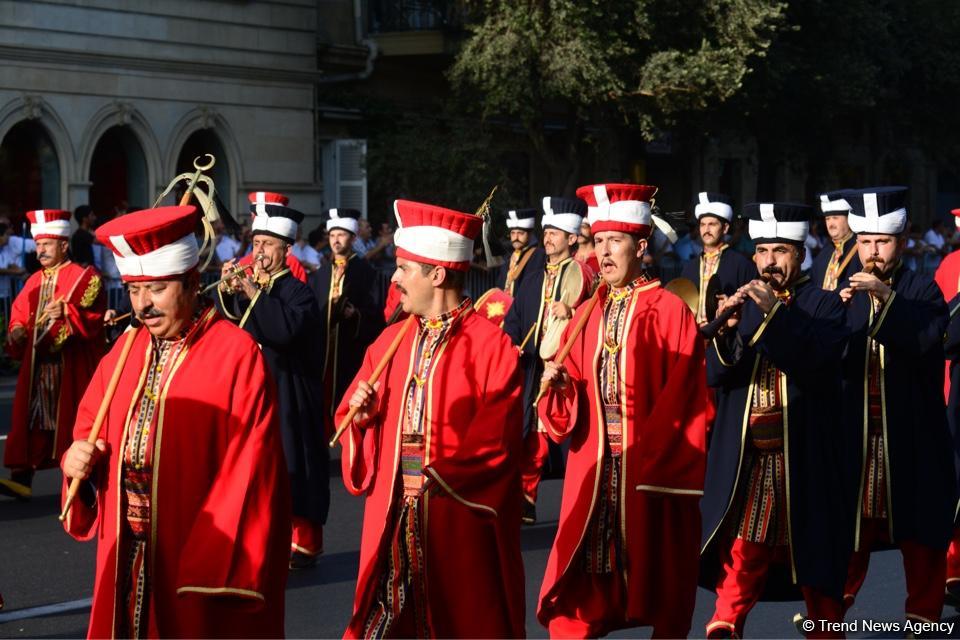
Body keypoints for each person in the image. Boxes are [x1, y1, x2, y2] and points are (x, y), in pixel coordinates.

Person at [61, 204, 291, 638]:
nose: (143, 305)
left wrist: (211, 552)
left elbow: (252, 467)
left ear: (190, 282)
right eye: (133, 290)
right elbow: (87, 431)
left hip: (193, 547)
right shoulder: (125, 351)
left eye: (157, 289)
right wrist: (77, 462)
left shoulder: (235, 353)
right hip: (126, 546)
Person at [335, 198, 525, 638]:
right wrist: (360, 417)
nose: (395, 278)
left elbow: (496, 440)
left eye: (404, 268)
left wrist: (440, 475)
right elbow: (349, 418)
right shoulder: (387, 342)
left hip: (455, 521)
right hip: (392, 520)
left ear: (437, 275)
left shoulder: (490, 346)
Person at [537, 183, 710, 638]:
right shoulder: (584, 314)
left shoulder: (670, 310)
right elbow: (566, 398)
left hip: (651, 467)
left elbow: (687, 397)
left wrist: (653, 454)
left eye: (616, 241)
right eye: (598, 241)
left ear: (642, 245)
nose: (605, 251)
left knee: (662, 577)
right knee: (578, 586)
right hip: (594, 468)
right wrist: (557, 386)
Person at [701, 201, 851, 638]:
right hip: (752, 455)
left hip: (806, 454)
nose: (769, 261)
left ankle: (825, 626)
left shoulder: (824, 305)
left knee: (815, 554)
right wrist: (724, 331)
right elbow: (717, 377)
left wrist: (770, 315)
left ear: (799, 255)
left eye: (780, 251)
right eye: (762, 251)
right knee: (746, 546)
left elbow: (815, 360)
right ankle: (726, 620)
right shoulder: (745, 300)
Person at [838, 186, 955, 626]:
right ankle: (833, 605)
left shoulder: (921, 289)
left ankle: (923, 615)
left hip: (911, 430)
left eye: (881, 242)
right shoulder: (844, 290)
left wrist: (884, 298)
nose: (872, 252)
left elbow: (927, 339)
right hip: (858, 431)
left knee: (919, 531)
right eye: (865, 242)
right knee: (850, 528)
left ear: (901, 243)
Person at [217, 194, 328, 569]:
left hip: (289, 389)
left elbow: (282, 331)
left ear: (285, 249)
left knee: (294, 462)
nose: (258, 252)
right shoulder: (252, 282)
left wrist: (250, 291)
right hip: (251, 387)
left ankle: (304, 540)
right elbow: (230, 328)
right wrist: (227, 292)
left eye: (267, 245)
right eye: (256, 243)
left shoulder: (298, 291)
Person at [0, 209, 105, 501]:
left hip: (68, 365)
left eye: (46, 244)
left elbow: (94, 319)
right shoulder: (34, 281)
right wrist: (17, 330)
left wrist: (68, 313)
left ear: (63, 245)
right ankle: (22, 477)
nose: (40, 250)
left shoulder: (85, 277)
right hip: (38, 367)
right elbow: (19, 315)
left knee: (71, 421)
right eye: (38, 244)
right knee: (33, 420)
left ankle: (83, 481)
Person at [502, 196, 592, 524]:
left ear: (572, 238)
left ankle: (584, 501)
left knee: (571, 438)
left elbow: (594, 315)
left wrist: (571, 312)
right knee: (530, 436)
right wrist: (511, 343)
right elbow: (515, 315)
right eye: (547, 231)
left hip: (567, 369)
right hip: (532, 367)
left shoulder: (584, 274)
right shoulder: (534, 275)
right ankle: (526, 498)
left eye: (556, 232)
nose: (549, 237)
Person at [308, 208, 383, 440]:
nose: (336, 240)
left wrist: (356, 314)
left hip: (350, 348)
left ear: (352, 238)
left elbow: (376, 313)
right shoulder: (321, 273)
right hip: (324, 350)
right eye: (332, 236)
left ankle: (345, 437)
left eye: (341, 235)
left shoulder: (366, 272)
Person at [679, 192, 755, 325]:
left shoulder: (741, 264)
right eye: (702, 224)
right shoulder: (689, 268)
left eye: (712, 224)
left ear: (725, 228)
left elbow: (751, 309)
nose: (706, 230)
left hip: (726, 339)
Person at [810, 191, 861, 291]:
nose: (831, 224)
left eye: (835, 218)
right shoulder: (823, 254)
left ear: (848, 219)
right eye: (827, 219)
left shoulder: (860, 250)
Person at [501, 208, 544, 296]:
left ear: (530, 234)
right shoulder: (510, 257)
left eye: (520, 233)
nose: (516, 237)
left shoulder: (539, 255)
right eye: (513, 233)